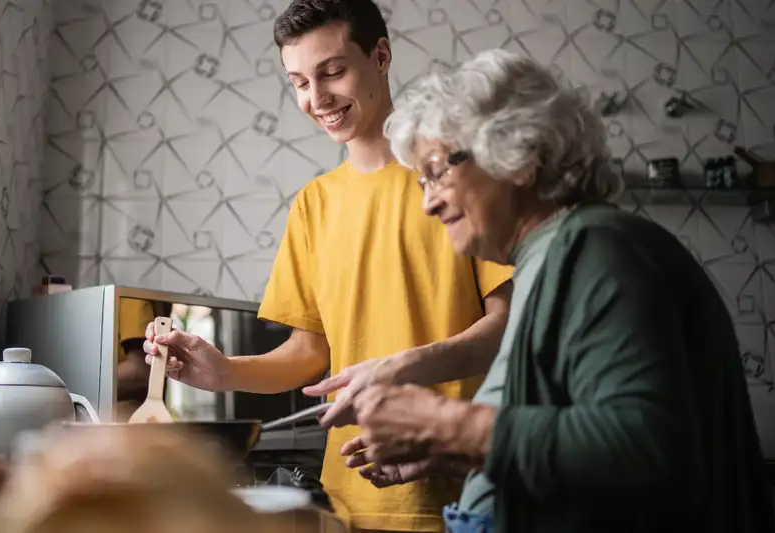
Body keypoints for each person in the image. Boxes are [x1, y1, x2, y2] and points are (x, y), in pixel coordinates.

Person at [338, 49, 775, 533]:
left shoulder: (598, 247)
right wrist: (453, 453)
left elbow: (646, 448)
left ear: (519, 154)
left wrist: (446, 426)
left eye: (439, 170)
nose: (428, 203)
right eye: (422, 180)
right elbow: (568, 449)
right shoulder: (551, 258)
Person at [143, 1, 514, 531]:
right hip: (348, 499)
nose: (316, 99)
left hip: (462, 494)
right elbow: (310, 354)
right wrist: (223, 372)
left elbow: (508, 326)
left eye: (332, 71)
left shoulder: (456, 177)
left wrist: (402, 366)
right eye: (299, 82)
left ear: (380, 56)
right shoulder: (313, 205)